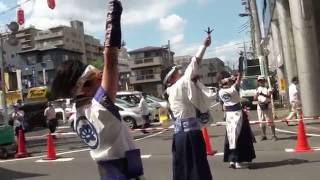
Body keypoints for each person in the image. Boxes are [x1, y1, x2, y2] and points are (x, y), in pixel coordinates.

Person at [51, 1, 144, 179]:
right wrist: (113, 15)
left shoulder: (76, 117)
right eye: (97, 78)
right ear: (84, 89)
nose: (102, 78)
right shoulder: (99, 110)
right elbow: (110, 57)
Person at [161, 35, 213, 180]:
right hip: (191, 135)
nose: (180, 73)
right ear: (172, 78)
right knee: (198, 169)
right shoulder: (181, 84)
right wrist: (204, 46)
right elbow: (194, 63)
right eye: (177, 72)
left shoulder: (169, 92)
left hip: (178, 136)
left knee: (182, 170)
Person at [217, 56, 256, 169]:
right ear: (225, 80)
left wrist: (231, 77)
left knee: (230, 137)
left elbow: (234, 79)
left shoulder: (220, 91)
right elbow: (239, 78)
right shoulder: (233, 89)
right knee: (240, 137)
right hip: (238, 114)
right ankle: (238, 161)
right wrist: (239, 67)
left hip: (229, 115)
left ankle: (232, 161)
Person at [254, 75, 277, 141]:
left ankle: (274, 135)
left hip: (267, 105)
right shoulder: (257, 88)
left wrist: (261, 94)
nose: (261, 82)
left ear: (265, 81)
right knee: (261, 121)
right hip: (260, 106)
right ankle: (264, 135)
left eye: (262, 80)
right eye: (260, 81)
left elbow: (269, 96)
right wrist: (257, 95)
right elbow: (254, 98)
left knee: (270, 120)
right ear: (258, 82)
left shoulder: (268, 87)